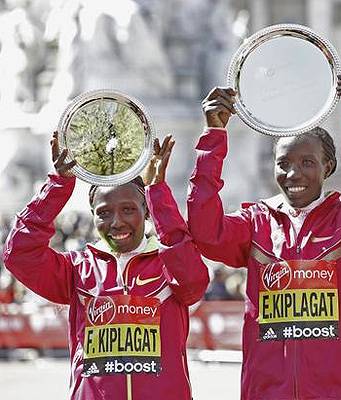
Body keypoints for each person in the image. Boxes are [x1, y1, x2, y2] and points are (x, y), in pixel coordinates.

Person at [187, 74, 341, 399]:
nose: (294, 174)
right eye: (284, 164)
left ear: (328, 166)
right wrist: (213, 136)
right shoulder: (255, 223)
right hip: (267, 389)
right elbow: (204, 231)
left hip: (339, 390)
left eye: (307, 162)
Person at [2, 133, 209, 400]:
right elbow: (19, 253)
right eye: (104, 212)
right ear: (93, 216)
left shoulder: (169, 262)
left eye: (128, 210)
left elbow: (194, 284)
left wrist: (157, 191)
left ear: (146, 211)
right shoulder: (77, 269)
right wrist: (58, 184)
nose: (117, 222)